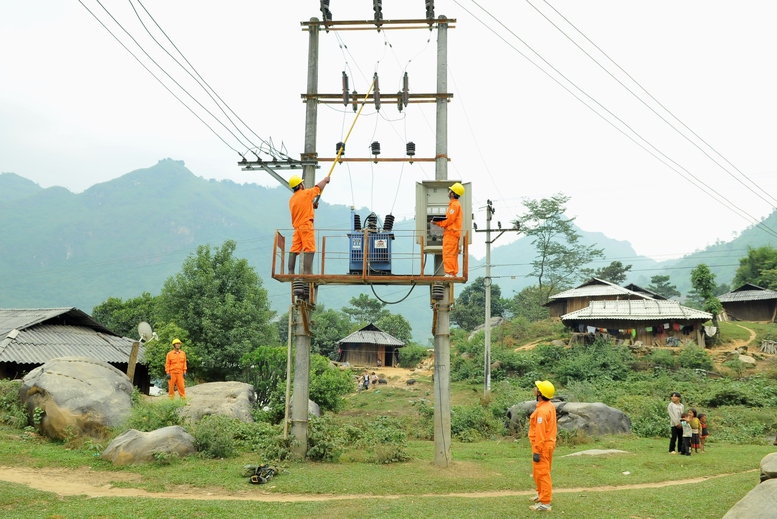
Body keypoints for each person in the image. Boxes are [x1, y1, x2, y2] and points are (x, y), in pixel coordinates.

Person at [288, 174, 331, 279]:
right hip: (306, 226)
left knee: (294, 248)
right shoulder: (306, 193)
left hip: (297, 228)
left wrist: (311, 206)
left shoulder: (292, 199)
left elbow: (301, 208)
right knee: (309, 248)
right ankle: (308, 272)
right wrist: (325, 180)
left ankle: (290, 272)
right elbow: (317, 188)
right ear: (300, 185)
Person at [528, 379, 557, 512]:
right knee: (538, 472)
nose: (535, 389)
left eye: (536, 388)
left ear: (539, 393)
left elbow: (540, 433)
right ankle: (541, 494)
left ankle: (545, 503)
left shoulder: (542, 412)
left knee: (542, 473)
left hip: (542, 446)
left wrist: (537, 451)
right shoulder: (548, 405)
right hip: (548, 444)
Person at [432, 182, 464, 277]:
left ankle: (449, 272)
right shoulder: (455, 205)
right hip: (454, 233)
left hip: (451, 233)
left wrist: (437, 222)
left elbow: (448, 220)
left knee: (448, 253)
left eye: (450, 190)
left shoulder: (454, 205)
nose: (448, 191)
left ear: (453, 194)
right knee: (453, 254)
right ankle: (453, 272)